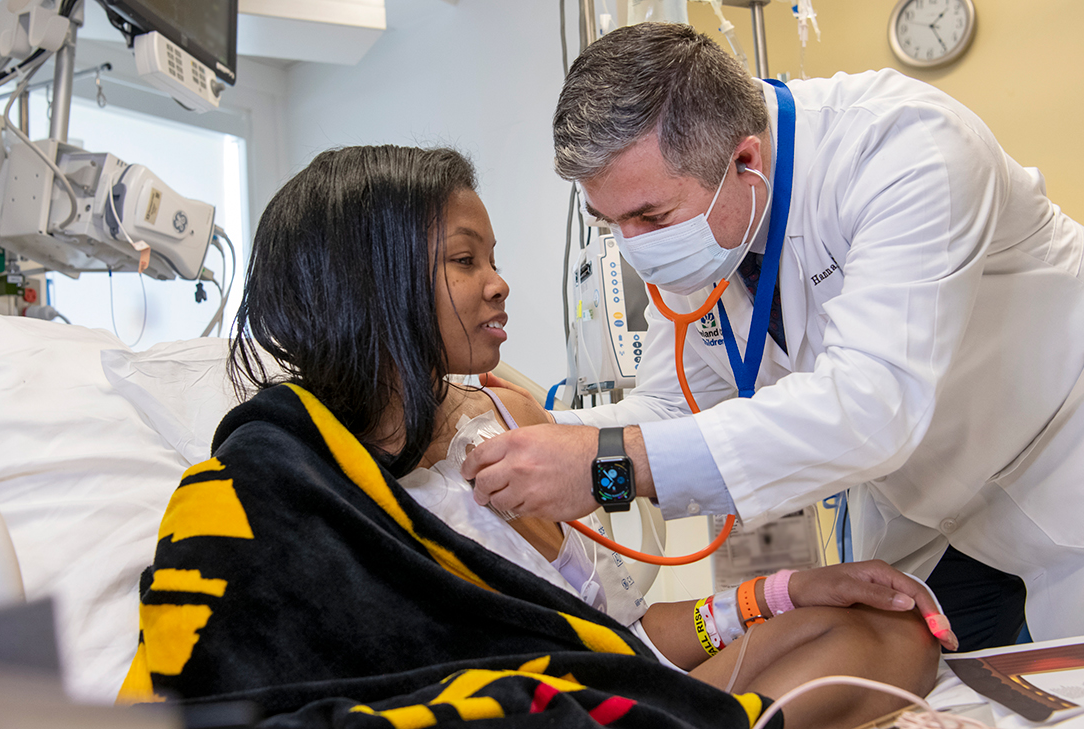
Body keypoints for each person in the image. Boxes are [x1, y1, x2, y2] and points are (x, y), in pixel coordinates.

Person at [463, 23, 1084, 653]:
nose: (635, 249)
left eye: (649, 217)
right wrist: (528, 436)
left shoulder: (907, 149)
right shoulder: (706, 231)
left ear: (745, 161)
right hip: (930, 500)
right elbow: (675, 408)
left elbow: (871, 404)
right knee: (921, 687)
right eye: (610, 222)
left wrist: (606, 467)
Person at [118, 144, 944, 729]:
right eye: (464, 260)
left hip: (606, 694)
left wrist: (783, 593)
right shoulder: (272, 480)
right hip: (517, 710)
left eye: (493, 257)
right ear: (368, 284)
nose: (499, 283)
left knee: (895, 634)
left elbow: (610, 638)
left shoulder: (504, 424)